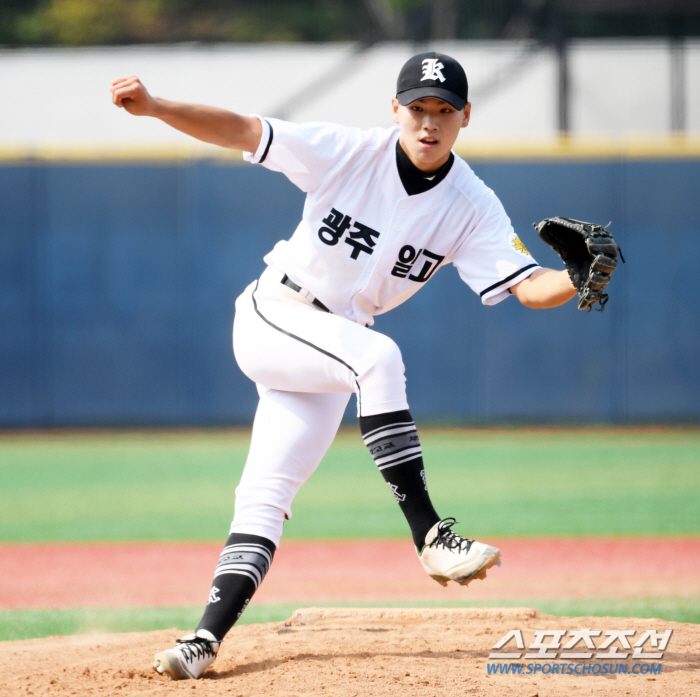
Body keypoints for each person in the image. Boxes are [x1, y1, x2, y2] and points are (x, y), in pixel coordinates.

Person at [110, 51, 577, 681]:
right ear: (395, 110)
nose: (428, 122)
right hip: (276, 312)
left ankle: (202, 641)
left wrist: (578, 275)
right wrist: (159, 107)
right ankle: (431, 536)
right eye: (417, 108)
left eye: (443, 110)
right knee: (380, 357)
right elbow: (245, 130)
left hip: (333, 349)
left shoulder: (472, 203)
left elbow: (527, 286)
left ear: (466, 116)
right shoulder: (348, 151)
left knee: (266, 498)